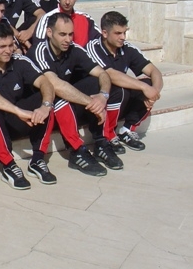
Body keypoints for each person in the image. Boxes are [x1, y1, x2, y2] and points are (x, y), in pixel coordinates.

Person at [28, 13, 124, 175]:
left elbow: (102, 73)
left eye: (71, 34)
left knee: (100, 84)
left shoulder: (74, 49)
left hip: (67, 106)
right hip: (41, 107)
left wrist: (102, 96)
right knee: (59, 96)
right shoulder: (39, 51)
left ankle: (101, 143)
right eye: (62, 34)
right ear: (49, 32)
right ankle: (77, 151)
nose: (68, 39)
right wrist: (92, 103)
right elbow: (56, 85)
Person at [0, 23, 57, 185]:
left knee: (48, 98)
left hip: (17, 119)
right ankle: (8, 164)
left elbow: (45, 82)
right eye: (2, 47)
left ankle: (38, 159)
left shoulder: (20, 60)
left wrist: (45, 106)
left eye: (11, 45)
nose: (8, 50)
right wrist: (18, 111)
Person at [86, 11, 163, 152]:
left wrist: (154, 92)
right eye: (118, 33)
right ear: (104, 33)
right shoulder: (93, 48)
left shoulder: (127, 48)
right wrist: (144, 87)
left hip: (118, 102)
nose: (123, 37)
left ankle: (126, 130)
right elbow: (110, 74)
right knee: (119, 88)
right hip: (95, 101)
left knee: (149, 83)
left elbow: (154, 71)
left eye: (124, 32)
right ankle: (107, 135)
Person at [34, 0, 101, 47]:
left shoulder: (86, 18)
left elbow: (99, 43)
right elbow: (39, 45)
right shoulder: (47, 19)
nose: (67, 2)